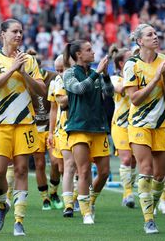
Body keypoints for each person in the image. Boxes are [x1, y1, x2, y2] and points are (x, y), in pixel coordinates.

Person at [0, 18, 46, 236]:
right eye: (14, 31)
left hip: (25, 123)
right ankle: (2, 205)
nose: (18, 35)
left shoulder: (28, 60)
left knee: (20, 170)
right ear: (3, 34)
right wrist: (11, 70)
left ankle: (19, 221)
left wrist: (24, 72)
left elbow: (42, 91)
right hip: (0, 123)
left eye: (21, 31)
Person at [123, 23, 165, 234]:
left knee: (160, 175)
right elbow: (135, 99)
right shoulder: (131, 65)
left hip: (162, 123)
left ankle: (149, 209)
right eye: (149, 34)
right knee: (145, 169)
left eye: (155, 33)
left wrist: (163, 76)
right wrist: (155, 79)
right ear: (139, 41)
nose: (155, 37)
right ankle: (149, 220)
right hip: (139, 124)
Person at [62, 40, 114, 224]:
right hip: (78, 127)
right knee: (83, 171)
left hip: (99, 127)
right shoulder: (68, 73)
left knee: (105, 172)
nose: (93, 53)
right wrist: (98, 73)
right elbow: (79, 89)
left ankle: (89, 201)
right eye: (89, 50)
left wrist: (105, 76)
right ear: (78, 55)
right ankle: (86, 213)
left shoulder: (96, 74)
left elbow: (109, 93)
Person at [28, 49, 63, 211]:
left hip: (51, 127)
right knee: (39, 164)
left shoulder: (52, 77)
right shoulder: (25, 79)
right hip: (34, 128)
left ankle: (54, 192)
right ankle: (45, 198)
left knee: (56, 163)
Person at [47, 54, 77, 217]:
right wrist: (50, 132)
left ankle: (73, 200)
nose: (59, 73)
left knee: (75, 166)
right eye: (57, 70)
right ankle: (60, 194)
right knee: (61, 166)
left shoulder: (75, 79)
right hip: (61, 129)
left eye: (62, 69)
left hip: (78, 126)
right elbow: (53, 109)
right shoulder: (55, 83)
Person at [108, 45, 136, 208]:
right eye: (130, 58)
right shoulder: (114, 79)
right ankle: (128, 194)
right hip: (120, 124)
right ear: (120, 64)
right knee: (126, 158)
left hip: (136, 124)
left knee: (133, 161)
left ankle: (128, 189)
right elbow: (119, 89)